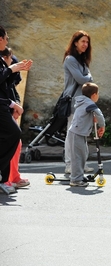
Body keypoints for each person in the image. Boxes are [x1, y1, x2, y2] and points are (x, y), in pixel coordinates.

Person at [0, 26, 32, 194]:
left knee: (12, 137)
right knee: (13, 135)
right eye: (6, 38)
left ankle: (6, 179)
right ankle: (5, 177)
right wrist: (11, 69)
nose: (7, 41)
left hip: (5, 105)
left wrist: (17, 69)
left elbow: (6, 85)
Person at [63, 30, 95, 174]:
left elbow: (87, 78)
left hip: (83, 101)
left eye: (87, 42)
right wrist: (88, 75)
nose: (85, 44)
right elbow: (82, 79)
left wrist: (87, 76)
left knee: (81, 133)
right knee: (72, 133)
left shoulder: (82, 60)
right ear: (75, 43)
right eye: (82, 41)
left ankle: (81, 164)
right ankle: (69, 164)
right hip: (73, 101)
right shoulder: (70, 59)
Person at [66, 82, 105, 187]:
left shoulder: (83, 102)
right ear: (93, 95)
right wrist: (103, 126)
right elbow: (99, 114)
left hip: (78, 133)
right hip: (76, 133)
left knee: (83, 154)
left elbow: (86, 116)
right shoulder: (89, 104)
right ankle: (75, 179)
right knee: (78, 156)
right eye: (98, 93)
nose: (98, 95)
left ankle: (78, 175)